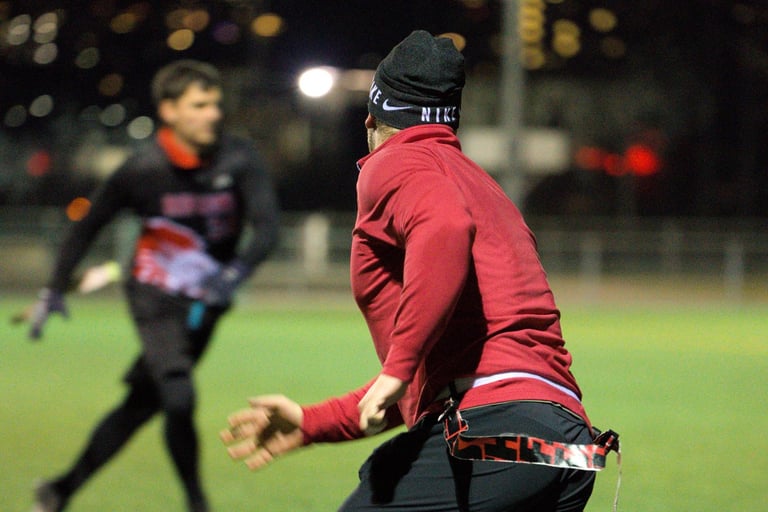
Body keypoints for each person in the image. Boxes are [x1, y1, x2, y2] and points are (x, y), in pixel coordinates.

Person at [221, 31, 616, 512]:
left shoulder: (395, 160)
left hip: (492, 430)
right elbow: (446, 376)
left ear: (371, 117)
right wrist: (312, 422)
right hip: (564, 446)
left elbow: (445, 228)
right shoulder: (481, 185)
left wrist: (398, 367)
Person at [28, 59, 280, 512]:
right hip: (153, 297)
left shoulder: (239, 157)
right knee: (179, 396)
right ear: (169, 111)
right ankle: (197, 504)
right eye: (199, 105)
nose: (213, 113)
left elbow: (267, 230)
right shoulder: (142, 168)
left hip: (206, 302)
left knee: (142, 404)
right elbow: (86, 227)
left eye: (215, 104)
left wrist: (233, 276)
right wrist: (54, 289)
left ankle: (59, 491)